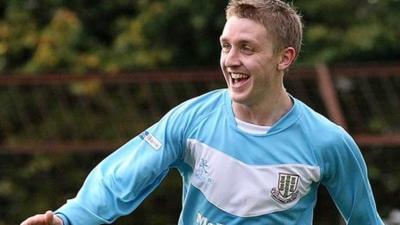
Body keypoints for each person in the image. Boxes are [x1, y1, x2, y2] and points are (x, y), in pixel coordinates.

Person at [21, 0, 384, 224]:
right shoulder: (191, 120)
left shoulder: (328, 142)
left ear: (284, 58)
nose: (231, 60)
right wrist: (68, 219)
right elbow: (120, 177)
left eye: (246, 48)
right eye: (225, 46)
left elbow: (365, 220)